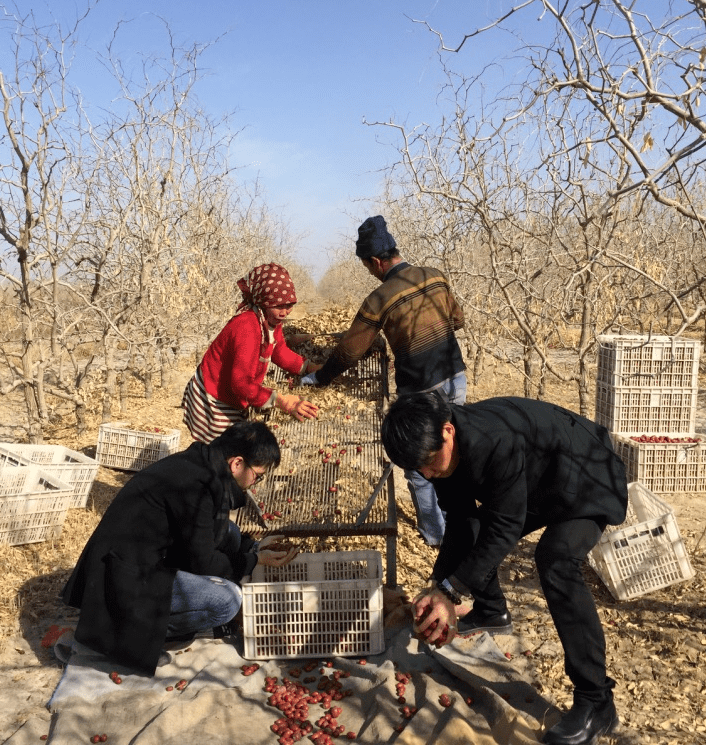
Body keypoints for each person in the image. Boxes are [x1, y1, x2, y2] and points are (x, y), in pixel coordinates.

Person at [380, 393, 629, 745]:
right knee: (475, 533)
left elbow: (505, 527)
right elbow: (461, 521)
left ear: (448, 431)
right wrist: (438, 586)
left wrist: (452, 592)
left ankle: (597, 701)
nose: (427, 473)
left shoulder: (492, 440)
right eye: (418, 469)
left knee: (556, 560)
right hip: (540, 482)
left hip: (589, 477)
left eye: (428, 463)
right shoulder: (435, 450)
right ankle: (491, 611)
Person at [60, 421, 298, 675]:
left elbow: (207, 533)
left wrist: (254, 547)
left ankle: (157, 624)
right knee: (227, 601)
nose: (255, 483)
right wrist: (255, 560)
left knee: (232, 534)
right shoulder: (195, 487)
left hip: (142, 558)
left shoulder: (202, 465)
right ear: (237, 463)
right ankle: (121, 636)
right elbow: (202, 561)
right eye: (257, 476)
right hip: (124, 578)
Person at [301, 215, 466, 546]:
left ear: (375, 261)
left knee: (419, 461)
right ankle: (459, 523)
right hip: (455, 376)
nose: (371, 273)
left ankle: (436, 536)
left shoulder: (380, 298)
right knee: (452, 447)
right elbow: (457, 320)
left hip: (421, 387)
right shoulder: (434, 276)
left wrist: (320, 377)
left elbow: (349, 351)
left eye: (368, 267)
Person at [182, 262, 320, 443]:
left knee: (231, 449)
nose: (285, 311)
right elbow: (240, 384)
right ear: (264, 302)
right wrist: (282, 401)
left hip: (235, 392)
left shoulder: (271, 320)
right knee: (218, 452)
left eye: (290, 305)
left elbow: (280, 352)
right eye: (279, 305)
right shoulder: (247, 328)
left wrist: (309, 367)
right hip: (215, 395)